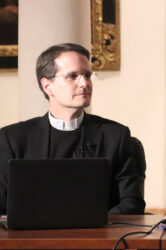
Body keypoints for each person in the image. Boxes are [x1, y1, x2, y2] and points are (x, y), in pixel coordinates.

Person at [0, 43, 145, 215]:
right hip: (33, 239)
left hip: (98, 239)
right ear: (47, 86)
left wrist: (88, 226)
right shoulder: (13, 139)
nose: (84, 83)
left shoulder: (116, 136)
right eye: (72, 76)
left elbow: (131, 203)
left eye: (87, 75)